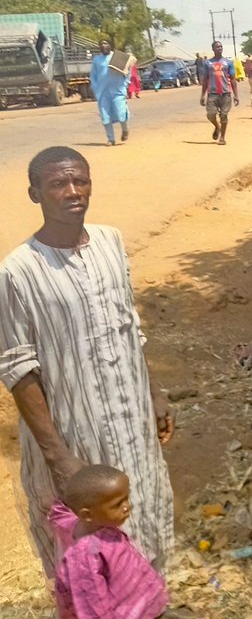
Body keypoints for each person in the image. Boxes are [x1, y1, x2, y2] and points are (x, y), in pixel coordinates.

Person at [0, 147, 175, 580]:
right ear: (35, 193)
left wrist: (154, 392)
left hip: (132, 419)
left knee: (144, 514)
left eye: (80, 180)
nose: (73, 191)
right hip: (75, 434)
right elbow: (18, 370)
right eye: (59, 183)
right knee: (88, 553)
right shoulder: (17, 272)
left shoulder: (111, 242)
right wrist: (58, 457)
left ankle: (144, 600)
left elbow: (127, 327)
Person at [50, 464, 169, 619]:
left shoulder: (98, 525)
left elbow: (61, 514)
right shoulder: (85, 556)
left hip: (139, 602)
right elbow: (92, 607)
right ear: (87, 515)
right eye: (117, 504)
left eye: (127, 498)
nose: (127, 507)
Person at [89, 40, 129, 146]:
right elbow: (93, 76)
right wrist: (95, 88)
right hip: (103, 92)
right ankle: (111, 139)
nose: (103, 45)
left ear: (110, 45)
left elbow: (127, 71)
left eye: (106, 43)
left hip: (118, 91)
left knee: (121, 113)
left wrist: (125, 85)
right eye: (101, 44)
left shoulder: (117, 57)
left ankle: (125, 130)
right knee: (105, 116)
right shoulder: (97, 60)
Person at [199, 40, 238, 145]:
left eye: (221, 47)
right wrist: (203, 95)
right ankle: (217, 126)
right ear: (213, 49)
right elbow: (205, 80)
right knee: (211, 115)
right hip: (212, 94)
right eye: (217, 47)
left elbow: (233, 79)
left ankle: (223, 137)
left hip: (225, 93)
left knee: (224, 116)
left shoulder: (228, 63)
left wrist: (236, 95)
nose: (219, 48)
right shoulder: (208, 63)